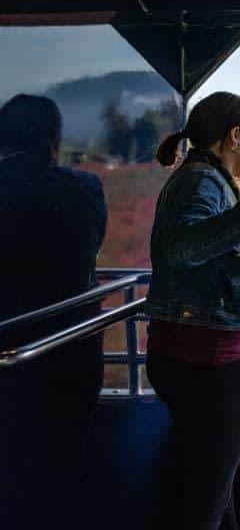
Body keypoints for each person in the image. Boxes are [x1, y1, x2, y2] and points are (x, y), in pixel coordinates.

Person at [145, 91, 240, 530]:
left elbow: (211, 254)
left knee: (214, 490)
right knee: (205, 502)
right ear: (234, 136)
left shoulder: (201, 179)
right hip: (209, 360)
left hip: (194, 353)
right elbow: (184, 249)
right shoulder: (201, 181)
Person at [0, 94, 108, 527]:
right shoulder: (85, 188)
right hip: (71, 348)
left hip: (7, 350)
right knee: (66, 461)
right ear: (55, 139)